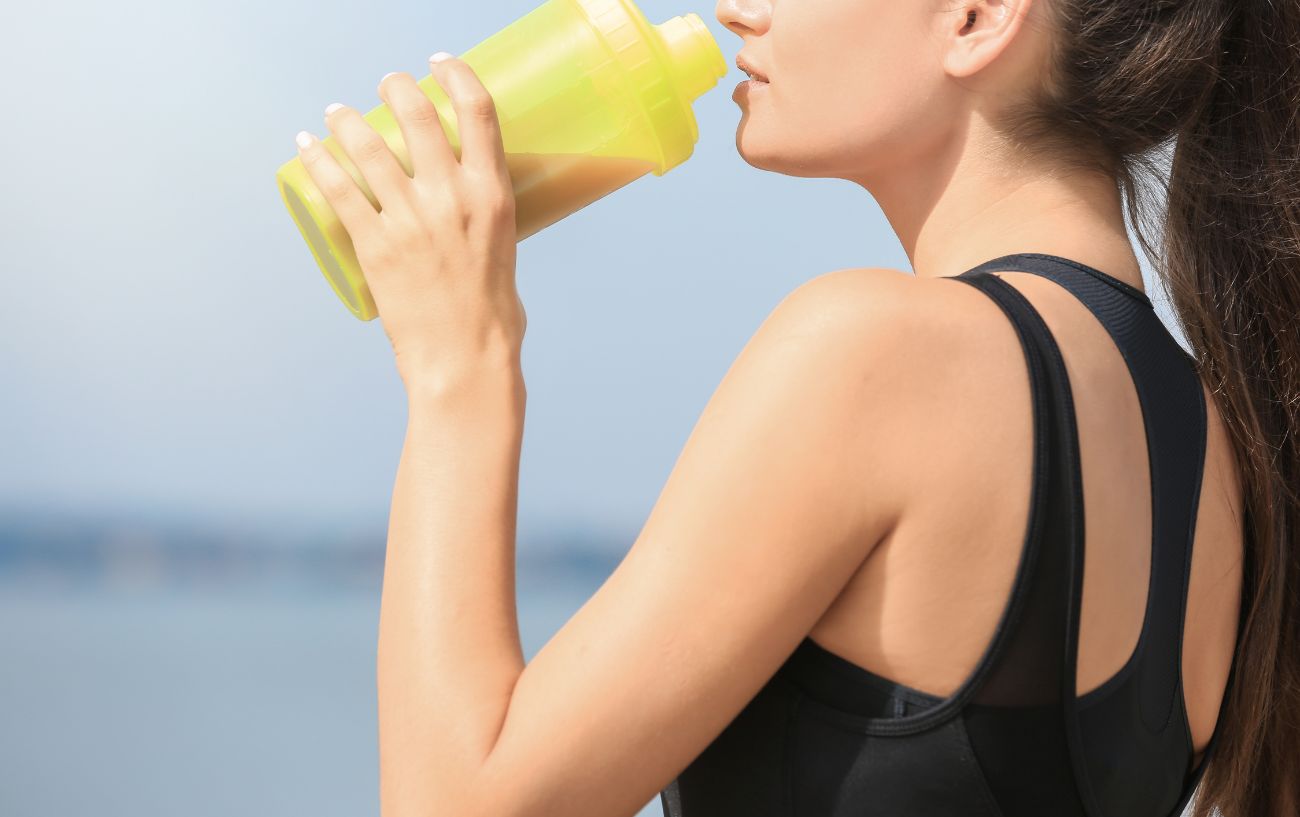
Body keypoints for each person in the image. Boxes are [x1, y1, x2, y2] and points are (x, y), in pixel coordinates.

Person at [293, 1, 1297, 815]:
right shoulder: (1216, 442)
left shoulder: (879, 351)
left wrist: (458, 362)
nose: (736, 12)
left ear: (976, 19)